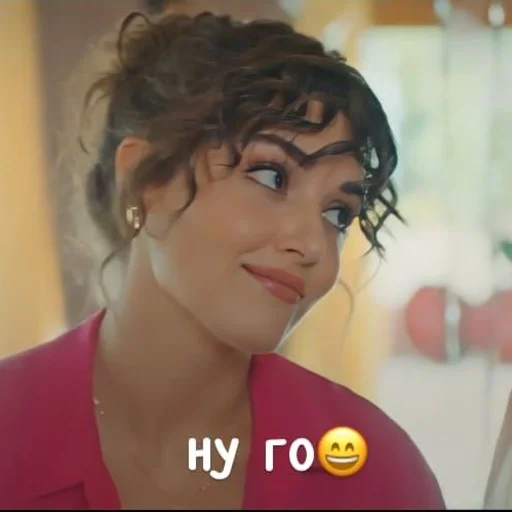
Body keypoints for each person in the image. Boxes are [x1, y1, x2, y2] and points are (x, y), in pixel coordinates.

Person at [0, 10, 445, 510]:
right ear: (146, 181)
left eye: (338, 213)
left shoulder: (376, 475)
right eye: (272, 176)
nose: (314, 246)